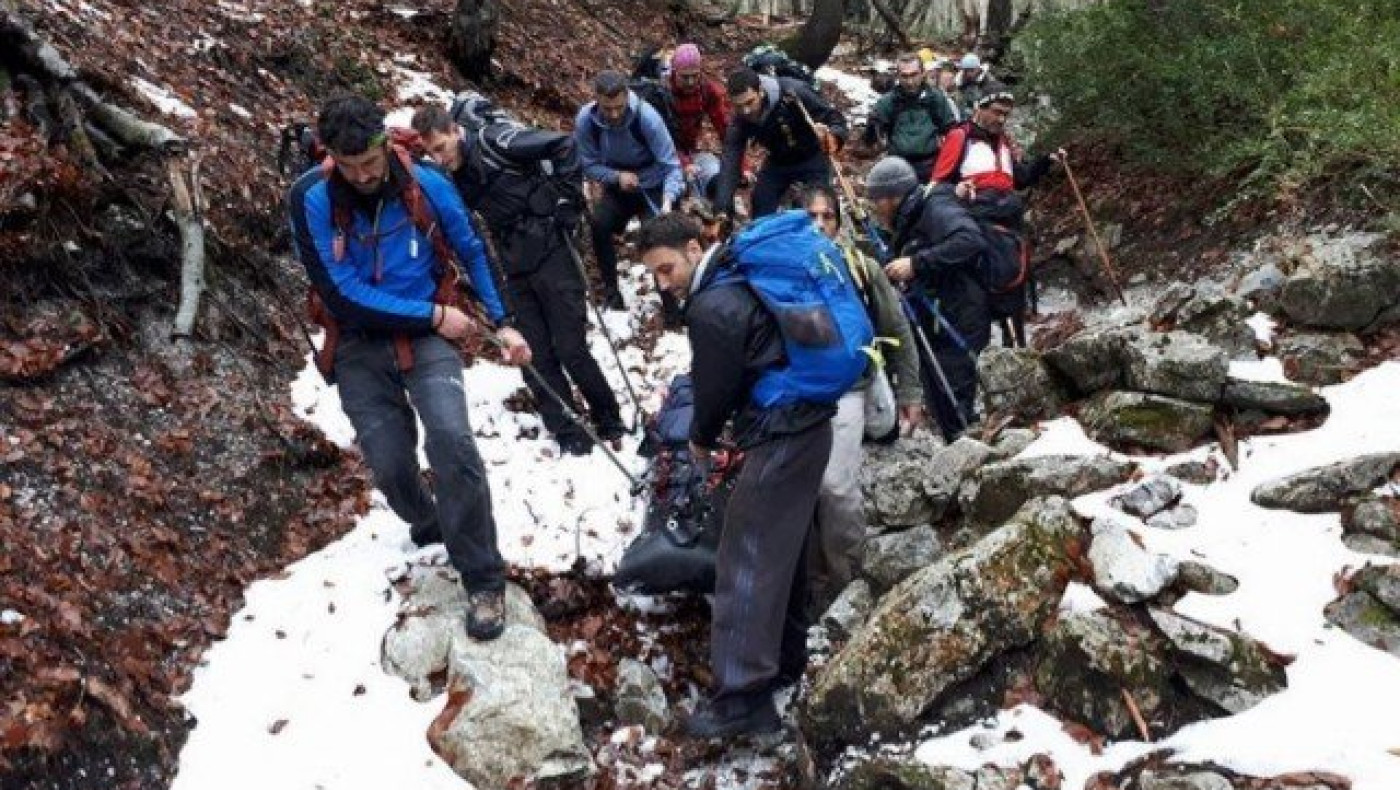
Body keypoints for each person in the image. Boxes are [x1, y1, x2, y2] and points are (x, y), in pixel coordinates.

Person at [286, 94, 531, 641]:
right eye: (348, 166)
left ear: (385, 144)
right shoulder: (311, 197)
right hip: (359, 341)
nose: (362, 176)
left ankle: (483, 577)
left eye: (369, 162)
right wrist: (434, 315)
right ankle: (430, 520)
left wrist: (504, 320)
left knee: (452, 442)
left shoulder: (427, 183)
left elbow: (472, 249)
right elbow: (340, 292)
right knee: (391, 465)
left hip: (427, 336)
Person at [637, 212, 834, 738]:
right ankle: (787, 659)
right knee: (785, 550)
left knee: (745, 557)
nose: (664, 283)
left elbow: (715, 390)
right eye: (654, 275)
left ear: (694, 248)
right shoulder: (739, 279)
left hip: (780, 434)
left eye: (667, 268)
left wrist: (700, 438)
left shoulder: (712, 306)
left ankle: (742, 699)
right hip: (809, 427)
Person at [412, 97, 625, 457]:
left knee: (571, 347)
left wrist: (567, 202)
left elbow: (563, 144)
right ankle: (568, 432)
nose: (439, 158)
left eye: (441, 147)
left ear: (455, 131)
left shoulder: (496, 141)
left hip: (554, 249)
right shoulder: (452, 177)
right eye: (431, 153)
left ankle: (610, 419)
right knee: (533, 353)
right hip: (513, 262)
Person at [799, 185, 924, 611]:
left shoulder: (861, 268)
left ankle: (847, 583)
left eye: (827, 217)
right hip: (798, 391)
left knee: (835, 486)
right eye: (811, 217)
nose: (820, 225)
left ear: (839, 223)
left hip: (852, 387)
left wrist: (910, 391)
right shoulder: (782, 270)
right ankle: (810, 582)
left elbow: (897, 327)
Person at [868, 157, 989, 441]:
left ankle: (968, 449)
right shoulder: (913, 215)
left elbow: (970, 240)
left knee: (954, 397)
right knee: (940, 395)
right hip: (939, 316)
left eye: (877, 199)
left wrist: (916, 264)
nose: (874, 207)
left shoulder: (936, 208)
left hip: (959, 318)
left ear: (893, 196)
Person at [933, 91, 1061, 346]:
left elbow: (1020, 178)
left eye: (1006, 114)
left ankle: (1015, 344)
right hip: (979, 221)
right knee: (989, 284)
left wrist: (1046, 162)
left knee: (1015, 281)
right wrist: (957, 191)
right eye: (997, 112)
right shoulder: (960, 137)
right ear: (980, 108)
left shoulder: (1003, 142)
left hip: (1010, 222)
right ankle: (982, 346)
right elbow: (938, 183)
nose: (1001, 119)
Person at [575, 69, 685, 310]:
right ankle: (612, 293)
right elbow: (588, 164)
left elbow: (671, 166)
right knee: (599, 225)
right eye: (607, 109)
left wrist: (668, 201)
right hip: (619, 186)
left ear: (627, 96)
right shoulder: (586, 120)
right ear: (597, 100)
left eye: (619, 107)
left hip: (654, 185)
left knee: (657, 236)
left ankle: (671, 307)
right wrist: (616, 177)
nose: (614, 114)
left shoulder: (647, 118)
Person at [713, 67, 848, 219]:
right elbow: (731, 159)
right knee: (760, 205)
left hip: (812, 157)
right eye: (739, 106)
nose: (746, 111)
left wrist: (834, 136)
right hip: (778, 161)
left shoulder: (794, 92)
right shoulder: (740, 120)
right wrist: (722, 208)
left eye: (750, 102)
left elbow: (835, 118)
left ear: (761, 91)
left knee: (812, 209)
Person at [862, 53, 955, 180]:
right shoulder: (888, 102)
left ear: (922, 73)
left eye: (914, 75)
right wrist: (873, 126)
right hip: (898, 166)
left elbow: (951, 131)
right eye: (904, 76)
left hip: (931, 165)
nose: (910, 82)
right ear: (897, 76)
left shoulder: (935, 98)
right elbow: (869, 140)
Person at [666, 43, 731, 202]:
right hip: (664, 155)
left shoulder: (707, 91)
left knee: (716, 178)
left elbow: (725, 128)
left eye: (695, 76)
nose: (690, 82)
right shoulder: (662, 93)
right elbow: (660, 138)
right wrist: (684, 163)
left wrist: (742, 166)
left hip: (691, 152)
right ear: (674, 72)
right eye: (685, 77)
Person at [954, 53, 1007, 118]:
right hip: (966, 111)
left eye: (971, 70)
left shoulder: (989, 80)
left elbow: (995, 102)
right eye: (966, 71)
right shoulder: (960, 81)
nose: (968, 74)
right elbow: (958, 100)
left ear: (978, 68)